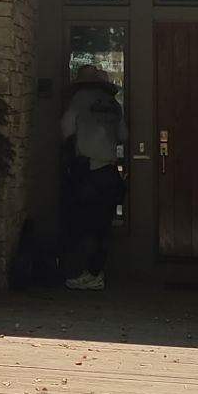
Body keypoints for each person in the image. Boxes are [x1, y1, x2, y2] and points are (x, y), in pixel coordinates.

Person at [58, 65, 126, 291]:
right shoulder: (114, 105)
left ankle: (86, 273)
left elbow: (65, 130)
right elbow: (124, 136)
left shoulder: (79, 99)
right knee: (103, 226)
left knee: (84, 225)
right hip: (110, 173)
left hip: (89, 173)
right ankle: (97, 272)